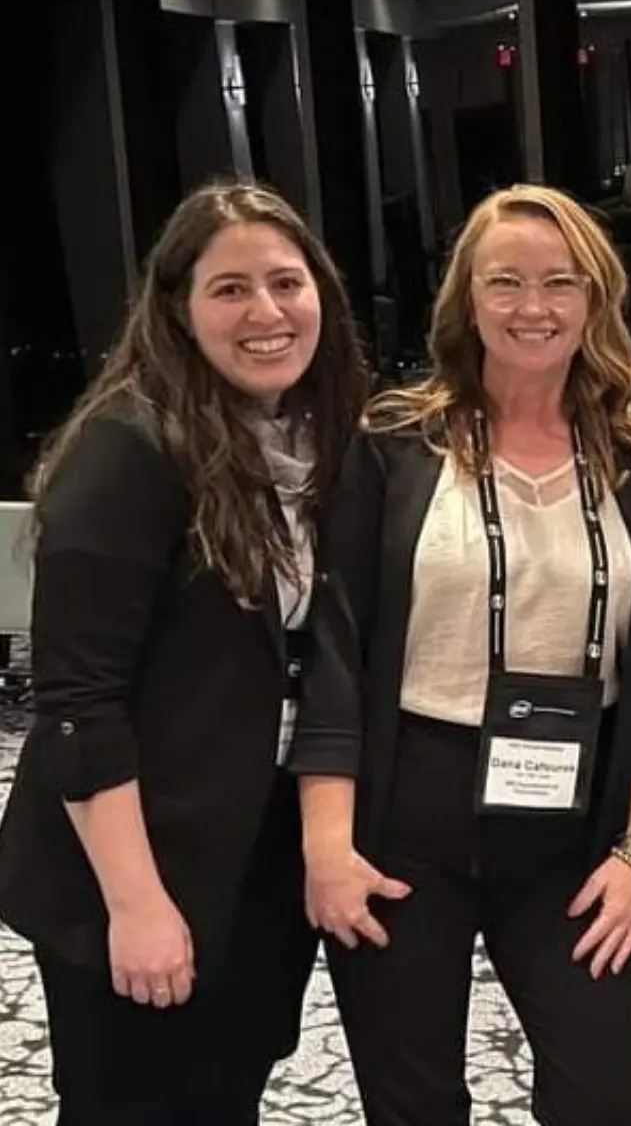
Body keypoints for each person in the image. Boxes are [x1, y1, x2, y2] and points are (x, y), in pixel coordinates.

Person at [312, 183, 631, 1126]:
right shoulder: (392, 447)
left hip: (571, 819)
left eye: (560, 283)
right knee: (415, 1100)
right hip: (408, 811)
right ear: (467, 299)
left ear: (595, 298)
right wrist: (327, 846)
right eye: (507, 282)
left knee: (601, 1095)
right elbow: (333, 654)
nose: (535, 307)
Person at [0, 182, 370, 1123]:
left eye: (287, 282)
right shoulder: (130, 451)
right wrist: (138, 905)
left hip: (250, 850)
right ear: (176, 309)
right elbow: (78, 706)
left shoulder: (316, 441)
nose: (268, 312)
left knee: (221, 1091)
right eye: (230, 289)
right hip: (131, 868)